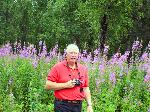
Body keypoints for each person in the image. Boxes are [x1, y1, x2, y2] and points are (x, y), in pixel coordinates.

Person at [45, 44, 93, 112]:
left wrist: (89, 105)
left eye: (75, 53)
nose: (73, 55)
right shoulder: (58, 67)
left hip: (77, 106)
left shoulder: (83, 69)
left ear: (78, 55)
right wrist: (66, 85)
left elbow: (85, 88)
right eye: (71, 53)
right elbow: (47, 85)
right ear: (66, 54)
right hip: (62, 105)